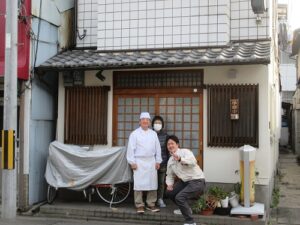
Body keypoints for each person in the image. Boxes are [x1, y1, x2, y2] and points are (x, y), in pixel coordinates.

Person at [165, 135, 205, 225]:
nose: (170, 146)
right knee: (169, 192)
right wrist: (169, 184)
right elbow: (169, 175)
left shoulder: (185, 152)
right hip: (185, 182)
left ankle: (190, 222)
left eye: (172, 143)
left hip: (197, 180)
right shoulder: (170, 160)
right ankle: (185, 208)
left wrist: (180, 159)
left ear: (177, 144)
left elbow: (193, 162)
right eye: (168, 144)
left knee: (180, 197)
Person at [127, 112, 162, 214]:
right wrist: (132, 162)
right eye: (143, 119)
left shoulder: (153, 134)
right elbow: (130, 149)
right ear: (140, 122)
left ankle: (151, 203)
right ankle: (139, 204)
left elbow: (158, 149)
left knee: (152, 183)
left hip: (151, 161)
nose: (145, 121)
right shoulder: (134, 134)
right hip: (139, 162)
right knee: (138, 184)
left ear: (150, 122)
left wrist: (158, 161)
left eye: (147, 120)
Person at [152, 115, 169, 208]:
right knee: (151, 182)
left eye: (159, 123)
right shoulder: (149, 134)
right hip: (151, 163)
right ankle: (152, 200)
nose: (157, 124)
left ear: (162, 125)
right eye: (155, 123)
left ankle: (160, 199)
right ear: (152, 124)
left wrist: (168, 161)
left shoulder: (166, 136)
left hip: (162, 163)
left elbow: (168, 150)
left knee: (161, 182)